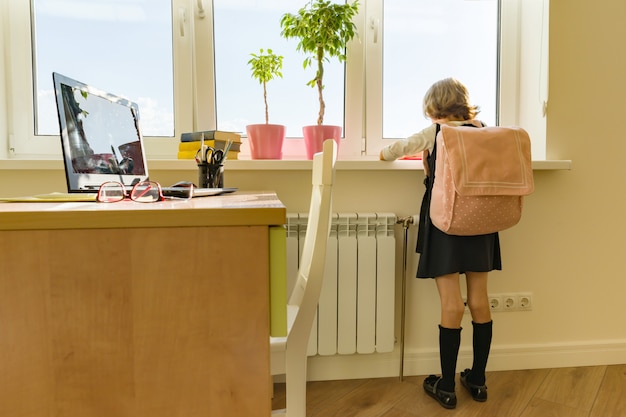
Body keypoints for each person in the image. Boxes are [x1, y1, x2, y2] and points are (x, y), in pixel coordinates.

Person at [380, 78, 500, 410]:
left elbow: (388, 153)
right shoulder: (483, 129)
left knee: (451, 304)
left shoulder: (435, 133)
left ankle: (446, 385)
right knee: (479, 299)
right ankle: (477, 379)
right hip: (482, 222)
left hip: (445, 221)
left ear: (435, 106)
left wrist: (409, 155)